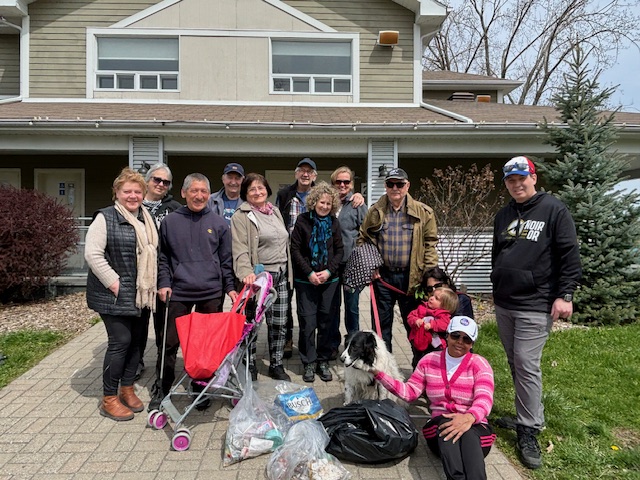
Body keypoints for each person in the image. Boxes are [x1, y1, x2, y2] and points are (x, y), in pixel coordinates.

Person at [492, 156, 581, 470]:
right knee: (515, 362)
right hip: (505, 302)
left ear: (533, 177)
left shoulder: (554, 210)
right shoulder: (504, 215)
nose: (517, 184)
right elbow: (498, 253)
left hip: (536, 301)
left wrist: (565, 295)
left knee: (526, 364)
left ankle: (528, 430)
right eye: (511, 180)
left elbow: (569, 254)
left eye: (521, 178)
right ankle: (528, 415)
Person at [148, 173, 238, 411]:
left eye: (204, 191)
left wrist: (230, 288)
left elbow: (226, 261)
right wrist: (164, 283)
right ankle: (162, 388)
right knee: (169, 343)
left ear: (209, 195)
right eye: (194, 191)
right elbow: (163, 258)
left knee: (205, 346)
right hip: (178, 291)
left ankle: (200, 388)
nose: (199, 196)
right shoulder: (170, 222)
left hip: (210, 292)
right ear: (184, 193)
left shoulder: (219, 224)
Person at [367, 316, 494, 480]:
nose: (460, 342)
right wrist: (380, 375)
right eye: (456, 335)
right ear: (447, 335)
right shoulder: (428, 361)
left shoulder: (480, 365)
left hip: (475, 426)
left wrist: (468, 417)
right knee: (447, 426)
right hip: (439, 428)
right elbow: (410, 392)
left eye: (467, 339)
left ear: (472, 343)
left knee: (467, 433)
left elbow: (484, 399)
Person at [85, 167, 158, 421]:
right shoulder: (105, 218)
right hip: (114, 293)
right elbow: (93, 254)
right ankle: (109, 398)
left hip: (141, 292)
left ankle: (127, 388)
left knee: (137, 341)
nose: (133, 196)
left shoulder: (146, 218)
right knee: (120, 342)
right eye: (127, 191)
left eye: (137, 191)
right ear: (116, 192)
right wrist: (113, 282)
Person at [358, 167, 438, 352]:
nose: (395, 188)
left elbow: (430, 245)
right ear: (385, 186)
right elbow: (363, 239)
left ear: (407, 186)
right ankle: (385, 366)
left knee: (415, 327)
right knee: (381, 329)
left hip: (412, 279)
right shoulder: (375, 211)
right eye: (390, 184)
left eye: (399, 184)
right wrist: (371, 266)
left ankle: (420, 366)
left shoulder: (424, 212)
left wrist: (429, 277)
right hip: (383, 278)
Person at [231, 173, 292, 381]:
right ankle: (249, 365)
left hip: (281, 275)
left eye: (261, 188)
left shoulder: (275, 211)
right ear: (245, 193)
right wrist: (245, 273)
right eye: (252, 189)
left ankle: (276, 364)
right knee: (252, 325)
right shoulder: (241, 216)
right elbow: (239, 248)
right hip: (258, 279)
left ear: (267, 189)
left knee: (279, 323)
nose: (257, 192)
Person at [290, 182, 344, 383]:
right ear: (314, 202)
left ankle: (323, 360)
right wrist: (310, 273)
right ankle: (309, 362)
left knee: (326, 321)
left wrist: (328, 272)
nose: (325, 206)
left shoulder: (334, 223)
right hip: (306, 281)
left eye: (328, 203)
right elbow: (295, 249)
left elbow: (339, 250)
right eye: (322, 202)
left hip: (329, 281)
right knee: (308, 322)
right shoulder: (303, 221)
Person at [135, 163, 182, 380]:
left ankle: (163, 365)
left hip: (165, 275)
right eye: (157, 179)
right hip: (140, 276)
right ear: (147, 181)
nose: (161, 184)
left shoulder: (174, 208)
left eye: (166, 182)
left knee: (163, 325)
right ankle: (135, 362)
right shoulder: (134, 205)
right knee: (138, 323)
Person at [276, 158, 318, 359]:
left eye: (309, 171)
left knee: (307, 304)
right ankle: (286, 340)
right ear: (296, 174)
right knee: (285, 300)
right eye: (302, 170)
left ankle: (308, 342)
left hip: (311, 257)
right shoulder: (285, 194)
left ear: (314, 176)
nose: (305, 174)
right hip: (288, 255)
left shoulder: (319, 194)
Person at [331, 166, 368, 349]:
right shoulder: (327, 203)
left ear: (352, 184)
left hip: (351, 265)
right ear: (333, 183)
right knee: (332, 306)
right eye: (339, 181)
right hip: (331, 264)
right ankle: (332, 344)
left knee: (351, 307)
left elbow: (367, 233)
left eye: (346, 181)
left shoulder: (357, 204)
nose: (342, 185)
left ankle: (354, 346)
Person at [407, 286, 459, 368]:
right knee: (418, 360)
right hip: (419, 341)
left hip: (435, 345)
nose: (431, 298)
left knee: (435, 361)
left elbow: (445, 324)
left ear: (445, 305)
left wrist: (432, 325)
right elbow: (410, 316)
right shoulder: (422, 308)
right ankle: (417, 372)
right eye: (432, 295)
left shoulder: (444, 315)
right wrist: (416, 320)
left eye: (436, 298)